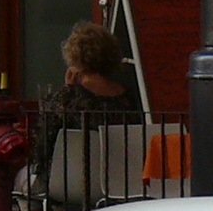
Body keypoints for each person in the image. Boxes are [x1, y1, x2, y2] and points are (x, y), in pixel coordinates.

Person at [31, 22, 141, 199]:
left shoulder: (69, 97)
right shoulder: (127, 98)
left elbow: (44, 138)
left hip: (71, 179)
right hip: (120, 181)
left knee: (27, 188)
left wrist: (67, 88)